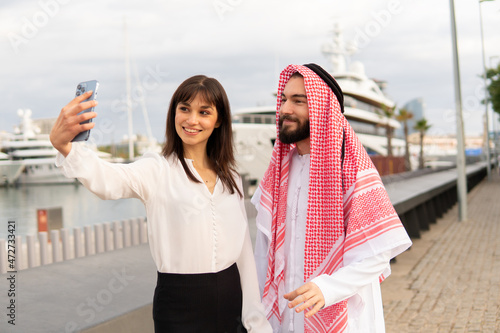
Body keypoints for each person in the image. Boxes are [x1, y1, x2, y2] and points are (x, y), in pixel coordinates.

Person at [50, 75, 272, 333]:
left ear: (218, 120)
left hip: (231, 302)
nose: (192, 120)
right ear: (173, 113)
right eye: (184, 109)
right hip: (178, 307)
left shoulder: (230, 176)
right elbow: (109, 180)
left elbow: (243, 252)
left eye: (204, 112)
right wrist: (66, 147)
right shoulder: (157, 169)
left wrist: (256, 321)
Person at [252, 64, 412, 332]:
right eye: (283, 100)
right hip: (283, 320)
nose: (285, 109)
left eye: (298, 101)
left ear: (321, 108)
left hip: (345, 317)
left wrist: (327, 288)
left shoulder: (352, 169)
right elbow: (263, 253)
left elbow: (377, 255)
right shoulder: (277, 173)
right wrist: (255, 315)